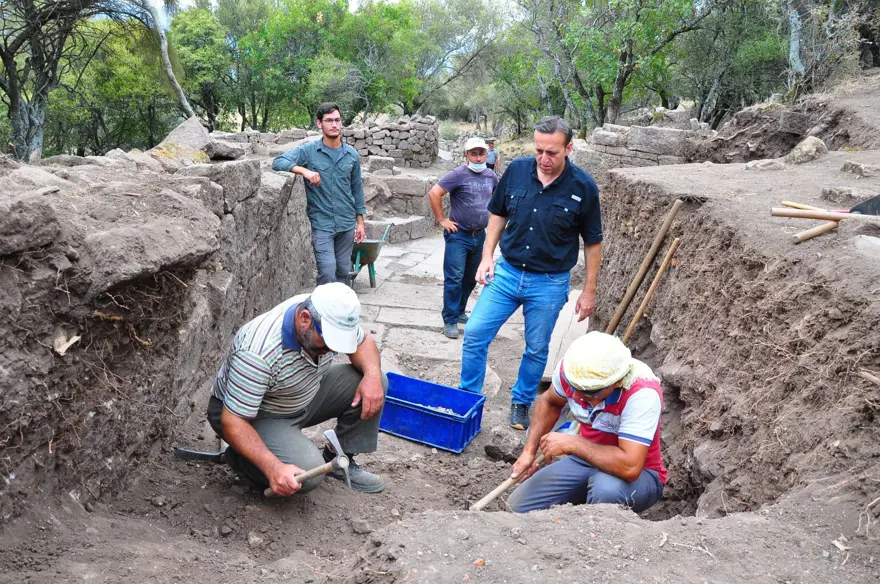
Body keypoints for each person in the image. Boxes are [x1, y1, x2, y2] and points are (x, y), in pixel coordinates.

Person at [458, 116, 602, 431]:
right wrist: (487, 257)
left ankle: (521, 402)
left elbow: (593, 242)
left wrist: (589, 291)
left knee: (536, 348)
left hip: (549, 282)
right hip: (507, 273)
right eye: (539, 150)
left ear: (569, 148)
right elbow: (497, 214)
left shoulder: (584, 187)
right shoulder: (518, 171)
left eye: (552, 152)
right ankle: (468, 398)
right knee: (475, 333)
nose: (544, 158)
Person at [206, 283, 388, 496]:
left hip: (301, 392)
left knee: (374, 380)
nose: (333, 349)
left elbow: (363, 342)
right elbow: (233, 421)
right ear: (304, 319)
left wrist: (372, 374)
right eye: (328, 342)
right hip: (254, 414)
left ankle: (339, 460)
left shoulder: (330, 312)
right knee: (308, 475)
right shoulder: (257, 353)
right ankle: (243, 461)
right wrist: (273, 467)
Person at [506, 332, 666, 513]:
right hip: (585, 460)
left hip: (640, 475)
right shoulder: (572, 370)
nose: (575, 396)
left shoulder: (641, 393)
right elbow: (550, 402)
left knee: (606, 490)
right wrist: (529, 452)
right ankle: (584, 502)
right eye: (573, 387)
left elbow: (630, 467)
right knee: (517, 507)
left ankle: (595, 525)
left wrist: (573, 444)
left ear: (617, 382)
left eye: (589, 392)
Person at [273, 103, 366, 286]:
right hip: (322, 223)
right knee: (327, 271)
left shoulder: (352, 155)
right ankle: (321, 304)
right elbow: (278, 162)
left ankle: (340, 304)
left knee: (343, 271)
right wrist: (304, 171)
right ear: (319, 123)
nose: (334, 125)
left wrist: (360, 223)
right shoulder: (309, 151)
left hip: (346, 223)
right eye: (329, 120)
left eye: (337, 120)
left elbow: (357, 189)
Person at [428, 137, 500, 339]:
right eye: (473, 154)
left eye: (481, 153)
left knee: (470, 278)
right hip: (458, 236)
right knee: (454, 278)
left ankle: (459, 311)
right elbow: (434, 193)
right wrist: (442, 220)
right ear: (466, 155)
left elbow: (497, 199)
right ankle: (450, 319)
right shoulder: (458, 174)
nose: (478, 158)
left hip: (479, 236)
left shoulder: (491, 176)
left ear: (486, 154)